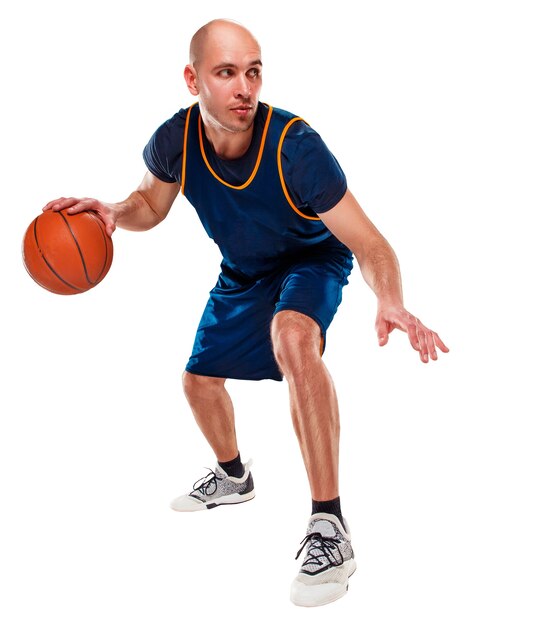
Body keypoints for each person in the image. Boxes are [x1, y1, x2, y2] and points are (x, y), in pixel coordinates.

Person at [43, 18, 449, 607]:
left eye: (253, 72)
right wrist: (111, 213)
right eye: (226, 73)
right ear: (193, 80)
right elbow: (148, 205)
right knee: (198, 382)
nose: (244, 88)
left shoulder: (296, 148)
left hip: (312, 261)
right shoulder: (175, 140)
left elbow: (370, 243)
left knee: (292, 338)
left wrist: (390, 299)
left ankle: (329, 525)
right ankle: (234, 476)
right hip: (244, 269)